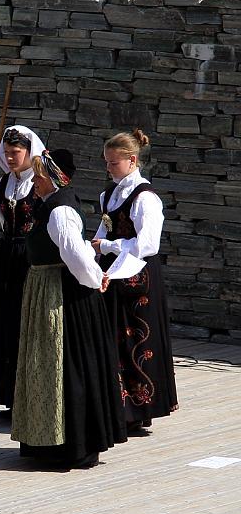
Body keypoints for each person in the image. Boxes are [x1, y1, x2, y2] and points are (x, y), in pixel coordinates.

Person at [11, 150, 127, 469]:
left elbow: (75, 255)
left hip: (60, 295)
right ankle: (49, 441)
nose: (34, 182)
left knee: (64, 364)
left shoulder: (60, 211)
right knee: (49, 365)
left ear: (50, 178)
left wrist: (94, 279)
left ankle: (70, 444)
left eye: (38, 177)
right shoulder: (54, 205)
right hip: (49, 289)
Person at [92, 129, 178, 434]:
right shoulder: (110, 194)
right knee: (116, 339)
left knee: (139, 340)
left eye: (114, 163)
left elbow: (147, 244)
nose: (109, 168)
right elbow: (106, 229)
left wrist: (109, 247)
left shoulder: (146, 198)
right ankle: (120, 407)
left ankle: (142, 408)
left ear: (132, 160)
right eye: (106, 163)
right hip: (114, 275)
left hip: (138, 277)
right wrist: (95, 248)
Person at [0, 125, 46, 419]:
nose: (10, 158)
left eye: (16, 152)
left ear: (29, 152)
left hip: (32, 258)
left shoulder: (42, 184)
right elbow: (2, 219)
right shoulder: (3, 185)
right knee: (6, 324)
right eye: (7, 153)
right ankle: (9, 396)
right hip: (8, 258)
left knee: (27, 325)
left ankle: (30, 399)